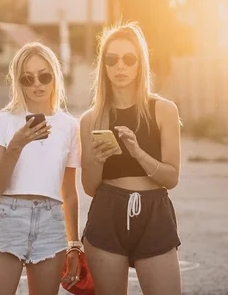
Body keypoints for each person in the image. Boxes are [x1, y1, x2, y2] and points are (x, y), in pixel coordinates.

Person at [80, 22, 182, 295]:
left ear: (140, 63)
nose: (120, 66)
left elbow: (171, 178)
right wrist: (98, 160)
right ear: (104, 66)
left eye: (129, 59)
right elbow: (90, 188)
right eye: (112, 59)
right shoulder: (90, 119)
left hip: (153, 213)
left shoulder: (163, 110)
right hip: (107, 213)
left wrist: (138, 153)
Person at [0, 42, 82, 295]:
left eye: (44, 76)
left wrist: (74, 244)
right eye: (27, 78)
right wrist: (17, 145)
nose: (37, 84)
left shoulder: (69, 126)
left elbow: (69, 192)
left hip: (51, 222)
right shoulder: (2, 121)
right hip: (8, 217)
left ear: (55, 77)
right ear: (18, 82)